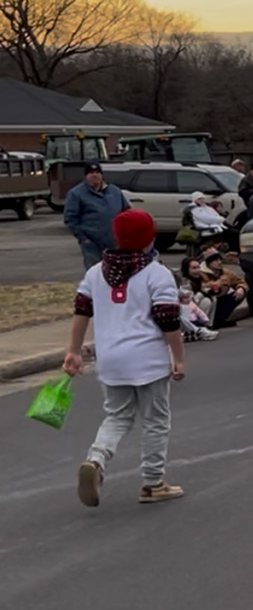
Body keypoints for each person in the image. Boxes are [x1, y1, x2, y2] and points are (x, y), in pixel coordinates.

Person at [63, 208, 185, 507]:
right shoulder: (157, 274)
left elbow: (81, 312)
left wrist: (74, 350)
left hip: (110, 359)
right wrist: (178, 356)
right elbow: (168, 320)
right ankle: (153, 482)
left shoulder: (95, 273)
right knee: (155, 420)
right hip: (148, 360)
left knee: (117, 416)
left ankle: (96, 460)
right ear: (149, 238)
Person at [63, 163, 130, 270]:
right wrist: (83, 238)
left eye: (97, 172)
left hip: (115, 243)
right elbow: (70, 218)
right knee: (95, 274)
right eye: (91, 173)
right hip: (92, 244)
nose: (94, 175)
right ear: (85, 176)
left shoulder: (114, 191)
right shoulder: (76, 194)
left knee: (116, 272)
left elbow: (127, 212)